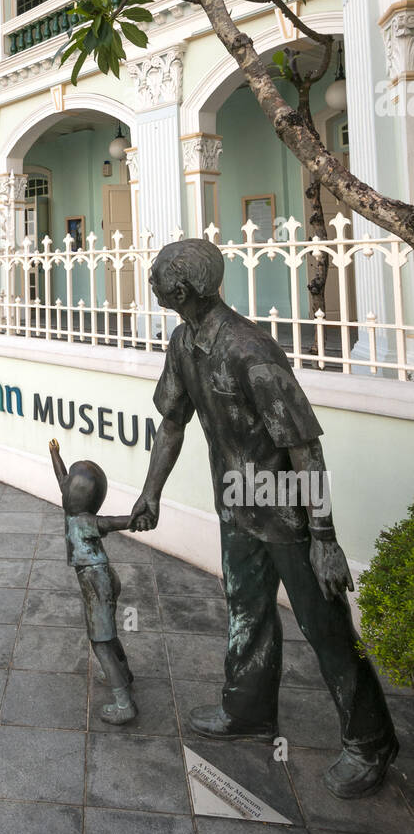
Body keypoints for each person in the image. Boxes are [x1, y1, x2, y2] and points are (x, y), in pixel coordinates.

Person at [126, 237, 398, 799]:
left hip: (287, 510)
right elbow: (172, 423)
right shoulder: (184, 342)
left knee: (325, 628)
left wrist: (324, 537)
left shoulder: (250, 349)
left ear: (184, 287)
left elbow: (304, 445)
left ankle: (370, 740)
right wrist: (152, 492)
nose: (150, 281)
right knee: (246, 611)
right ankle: (248, 709)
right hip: (237, 502)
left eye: (157, 275)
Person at [49, 438, 138, 724]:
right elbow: (61, 479)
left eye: (69, 486)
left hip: (96, 583)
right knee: (107, 635)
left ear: (75, 496)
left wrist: (136, 518)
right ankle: (123, 673)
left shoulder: (84, 520)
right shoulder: (73, 511)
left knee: (100, 642)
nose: (64, 487)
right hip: (102, 579)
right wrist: (55, 454)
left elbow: (114, 522)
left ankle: (124, 704)